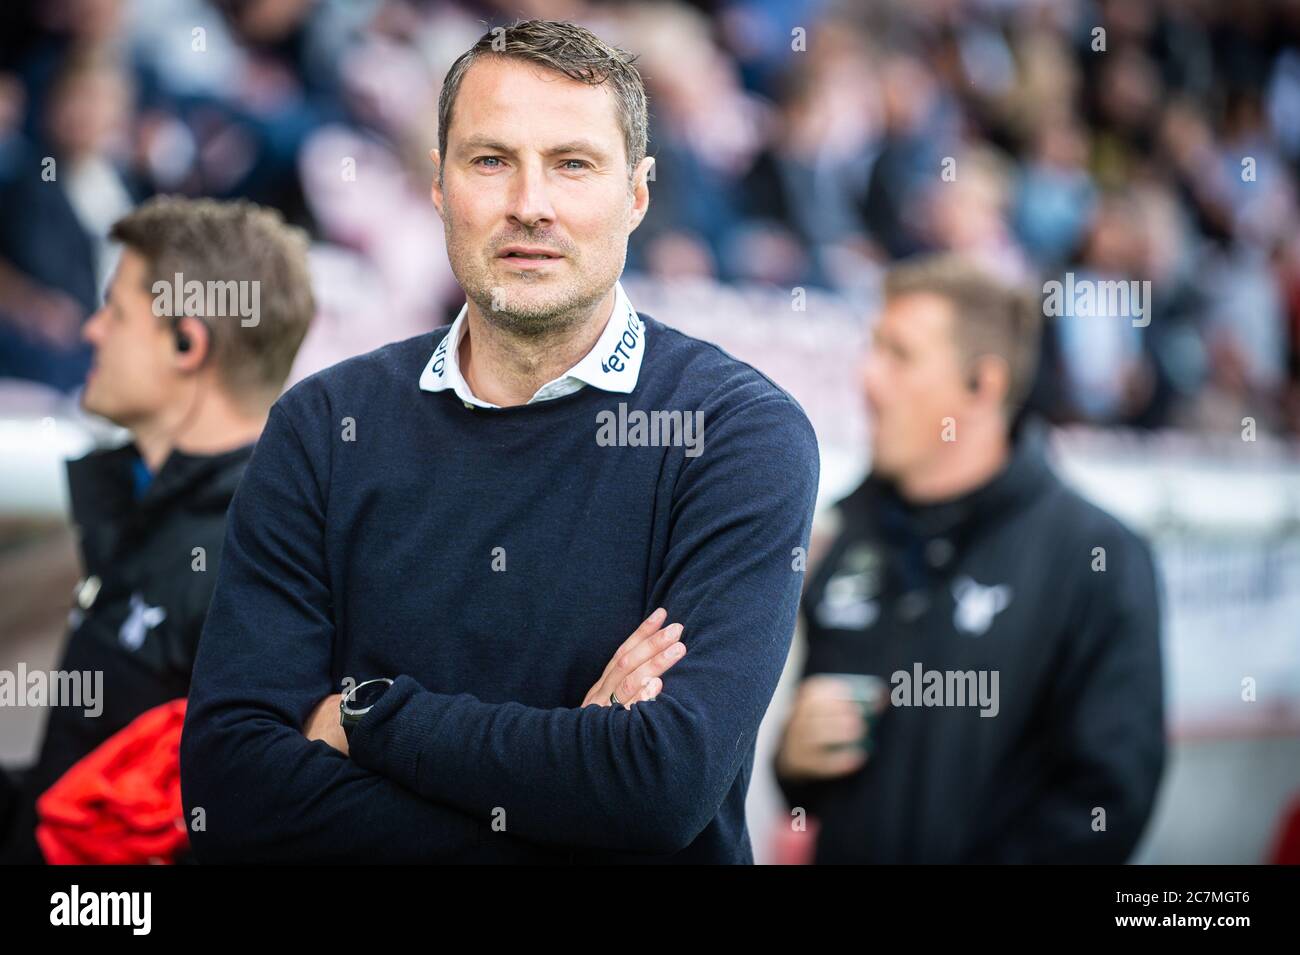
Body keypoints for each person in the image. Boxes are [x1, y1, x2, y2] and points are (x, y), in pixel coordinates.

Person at [180, 19, 820, 864]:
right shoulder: (321, 426)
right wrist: (571, 797)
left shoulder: (738, 436)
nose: (530, 203)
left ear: (638, 192)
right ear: (439, 187)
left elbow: (661, 786)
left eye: (572, 163)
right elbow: (227, 792)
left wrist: (366, 716)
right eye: (490, 161)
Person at [774, 254, 1165, 863]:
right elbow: (815, 788)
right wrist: (793, 760)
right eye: (873, 349)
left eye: (899, 355)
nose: (868, 378)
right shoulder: (849, 533)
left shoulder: (1098, 556)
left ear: (984, 385)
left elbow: (1106, 805)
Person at [0, 196, 316, 863]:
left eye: (114, 309)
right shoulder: (150, 501)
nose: (91, 330)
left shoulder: (254, 562)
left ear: (186, 342)